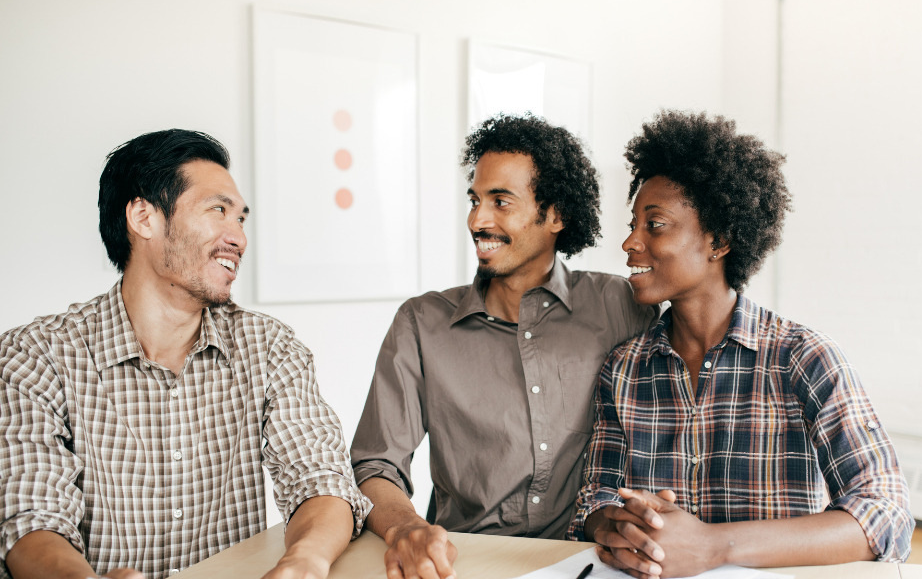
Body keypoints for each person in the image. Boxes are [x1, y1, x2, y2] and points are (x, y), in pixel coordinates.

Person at [0, 129, 372, 579]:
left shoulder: (270, 347)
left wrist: (304, 560)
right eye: (219, 210)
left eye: (241, 219)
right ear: (143, 217)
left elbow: (320, 480)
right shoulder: (35, 357)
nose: (238, 238)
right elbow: (31, 519)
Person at [568, 111, 914, 578]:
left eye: (655, 225)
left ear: (719, 240)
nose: (629, 242)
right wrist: (620, 526)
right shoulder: (624, 367)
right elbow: (595, 500)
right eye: (633, 224)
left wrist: (715, 545)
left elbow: (885, 514)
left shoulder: (804, 358)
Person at [350, 114, 660, 579]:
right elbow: (376, 462)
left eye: (501, 201)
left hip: (590, 564)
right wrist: (405, 528)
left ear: (555, 215)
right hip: (464, 564)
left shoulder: (619, 305)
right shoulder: (421, 323)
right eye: (475, 200)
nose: (478, 219)